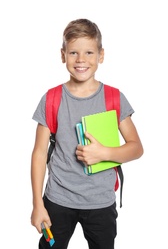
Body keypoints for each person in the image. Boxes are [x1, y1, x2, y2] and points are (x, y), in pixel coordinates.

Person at [30, 18, 144, 249]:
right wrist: (37, 205)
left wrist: (105, 153)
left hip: (100, 202)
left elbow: (136, 148)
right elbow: (39, 154)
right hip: (57, 200)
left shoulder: (114, 98)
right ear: (63, 55)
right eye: (73, 52)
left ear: (101, 56)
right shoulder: (52, 98)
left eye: (89, 52)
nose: (81, 60)